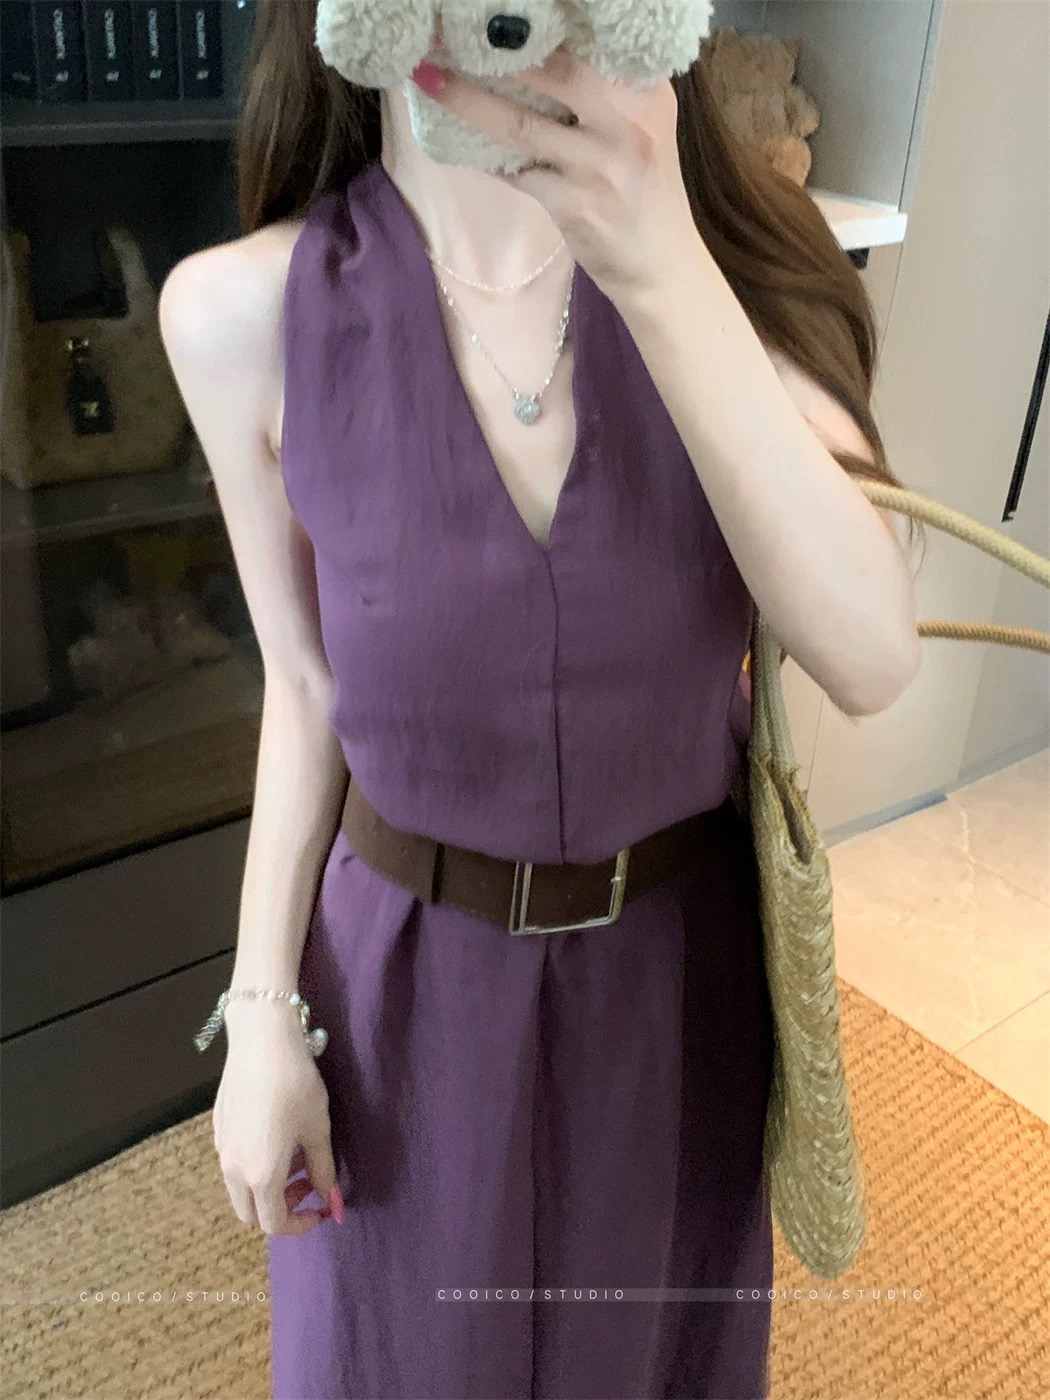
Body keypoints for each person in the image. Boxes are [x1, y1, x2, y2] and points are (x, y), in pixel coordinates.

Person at [161, 3, 921, 1396]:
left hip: (672, 993)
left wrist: (663, 263)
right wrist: (260, 1011)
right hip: (399, 997)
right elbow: (306, 685)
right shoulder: (239, 316)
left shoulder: (732, 285)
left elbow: (871, 658)